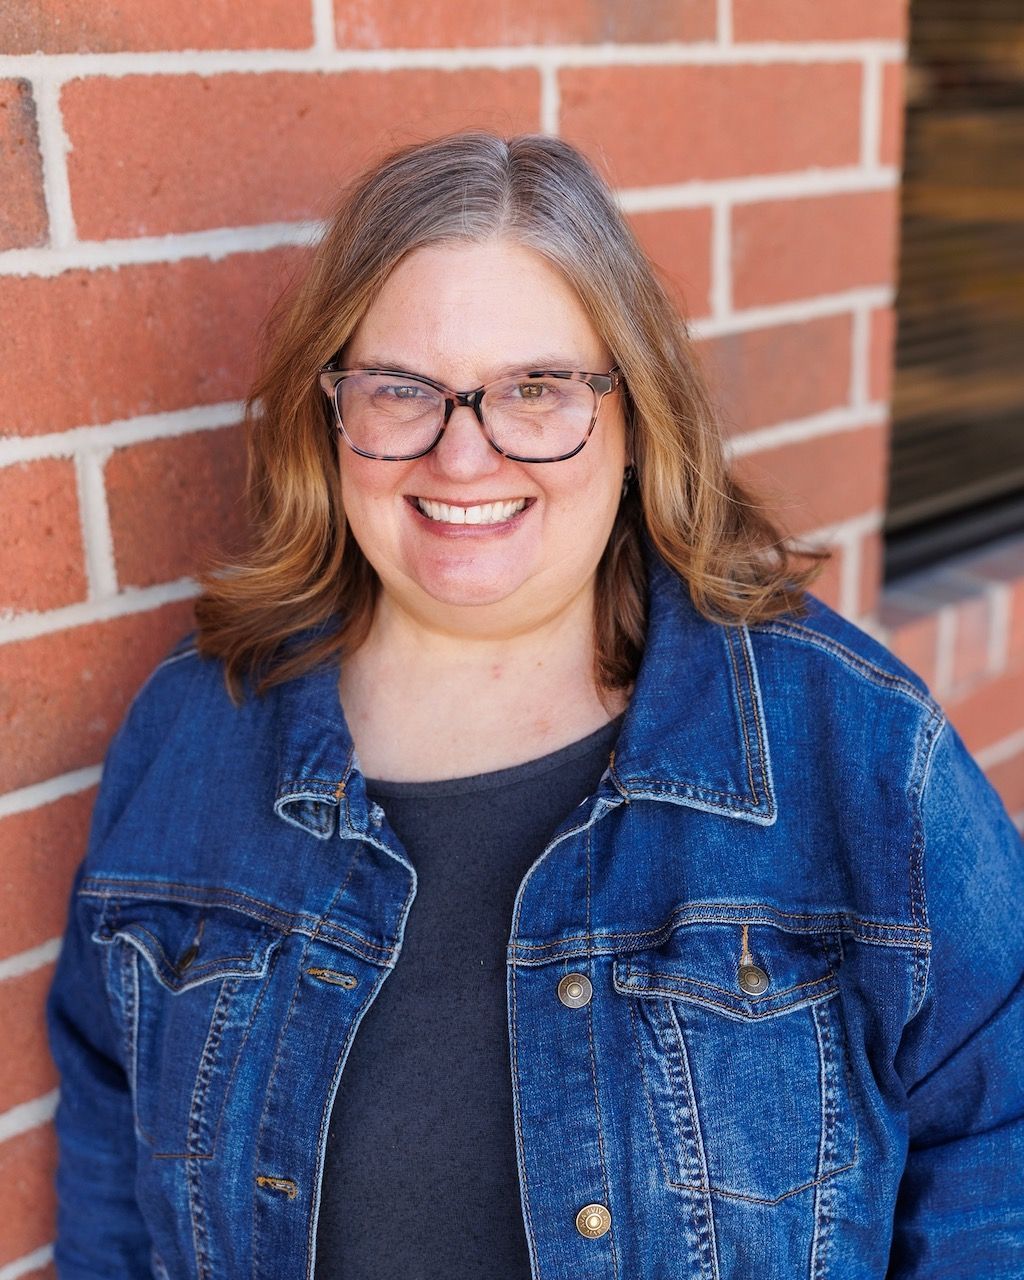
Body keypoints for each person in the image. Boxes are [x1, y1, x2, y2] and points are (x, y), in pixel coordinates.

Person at [46, 130, 1024, 1280]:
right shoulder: (195, 735)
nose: (464, 456)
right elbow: (112, 1163)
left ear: (632, 416)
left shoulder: (852, 748)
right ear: (331, 412)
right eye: (401, 389)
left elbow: (997, 1155)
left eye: (536, 388)